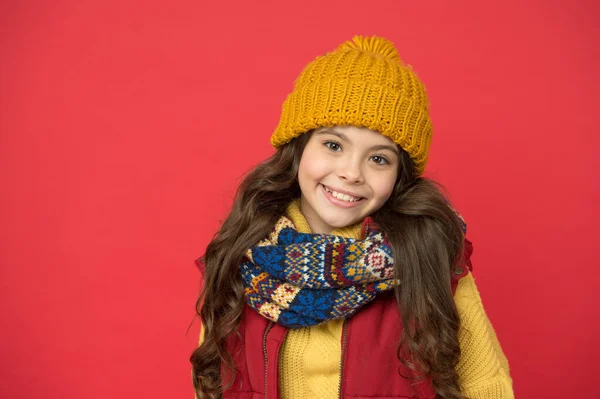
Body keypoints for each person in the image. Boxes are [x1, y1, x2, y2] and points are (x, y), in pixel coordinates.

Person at [190, 35, 514, 399]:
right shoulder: (243, 254)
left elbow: (486, 385)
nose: (351, 172)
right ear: (298, 148)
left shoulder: (429, 255)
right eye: (333, 145)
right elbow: (213, 381)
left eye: (378, 158)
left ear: (398, 176)